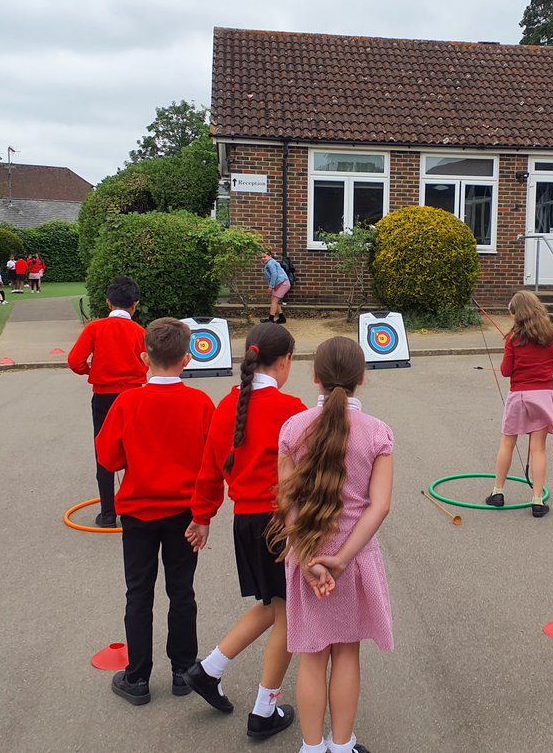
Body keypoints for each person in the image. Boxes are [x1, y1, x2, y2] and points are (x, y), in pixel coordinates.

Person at [267, 336, 393, 753]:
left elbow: (287, 500)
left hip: (306, 558)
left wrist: (305, 558)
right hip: (352, 560)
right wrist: (340, 559)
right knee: (347, 653)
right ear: (362, 378)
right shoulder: (377, 434)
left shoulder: (293, 428)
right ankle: (342, 745)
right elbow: (379, 507)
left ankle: (311, 746)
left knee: (312, 655)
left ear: (315, 377)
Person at [183, 323, 307, 739]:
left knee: (274, 605)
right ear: (285, 360)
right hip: (280, 522)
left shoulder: (228, 405)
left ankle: (209, 669)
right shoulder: (291, 407)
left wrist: (202, 516)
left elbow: (209, 468)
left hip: (245, 522)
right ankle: (263, 710)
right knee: (289, 615)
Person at [96, 317, 215, 706]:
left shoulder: (128, 401)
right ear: (186, 359)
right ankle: (183, 670)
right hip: (183, 514)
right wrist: (204, 515)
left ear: (144, 357)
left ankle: (138, 677)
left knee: (138, 593)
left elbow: (108, 458)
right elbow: (212, 464)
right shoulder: (200, 403)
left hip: (138, 515)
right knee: (182, 591)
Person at [68, 277, 148, 527]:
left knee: (104, 450)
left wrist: (90, 371)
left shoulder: (95, 328)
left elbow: (74, 361)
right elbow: (148, 361)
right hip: (134, 396)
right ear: (135, 305)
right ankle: (133, 508)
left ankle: (108, 513)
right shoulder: (140, 331)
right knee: (134, 450)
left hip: (104, 395)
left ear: (108, 302)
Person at [484, 290, 553, 517]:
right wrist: (549, 368)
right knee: (538, 448)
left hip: (519, 396)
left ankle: (498, 492)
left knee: (507, 443)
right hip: (542, 396)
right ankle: (537, 499)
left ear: (517, 314)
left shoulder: (513, 339)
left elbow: (505, 371)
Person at [260, 250, 290, 324]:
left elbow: (274, 274)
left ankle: (270, 320)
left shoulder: (270, 263)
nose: (263, 258)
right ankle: (281, 318)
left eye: (264, 256)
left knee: (274, 301)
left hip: (282, 283)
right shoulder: (270, 262)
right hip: (280, 283)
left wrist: (271, 286)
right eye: (262, 257)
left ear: (270, 256)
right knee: (274, 300)